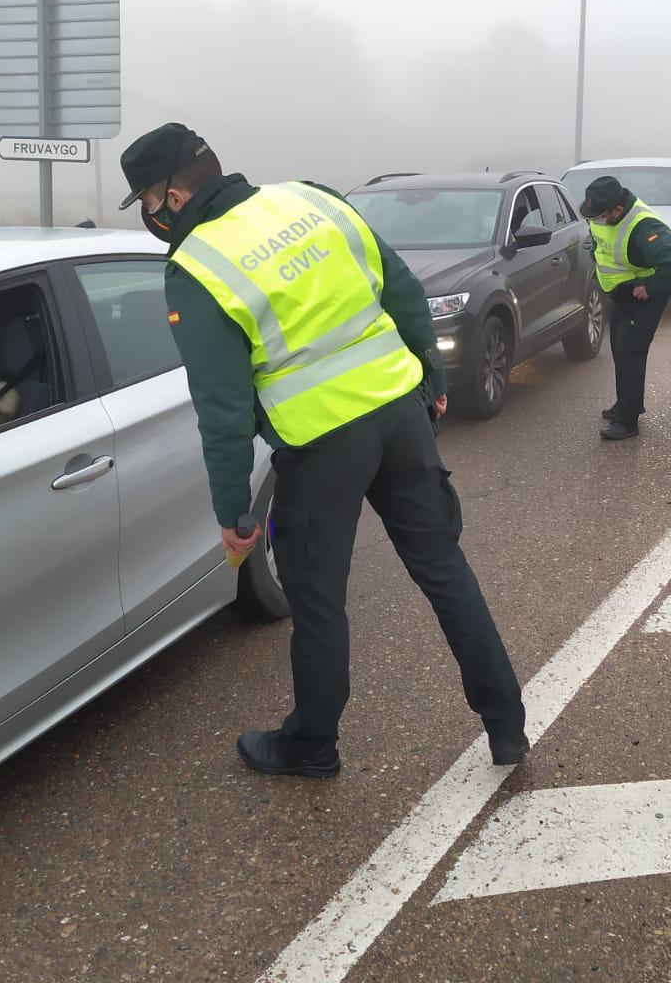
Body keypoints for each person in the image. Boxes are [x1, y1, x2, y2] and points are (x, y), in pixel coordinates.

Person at [119, 122, 528, 778]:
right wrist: (432, 378)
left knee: (317, 602)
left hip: (320, 447)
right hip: (400, 415)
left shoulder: (196, 266)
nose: (147, 213)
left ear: (168, 196)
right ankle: (506, 723)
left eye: (143, 199)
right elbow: (399, 289)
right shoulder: (311, 199)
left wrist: (233, 511)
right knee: (444, 571)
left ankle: (311, 744)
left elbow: (223, 407)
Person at [580, 175, 671, 442]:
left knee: (631, 353)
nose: (595, 221)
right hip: (619, 293)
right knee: (618, 347)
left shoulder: (644, 226)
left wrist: (650, 287)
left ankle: (627, 421)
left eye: (599, 216)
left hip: (642, 297)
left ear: (617, 210)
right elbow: (601, 245)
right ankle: (626, 403)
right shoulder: (603, 216)